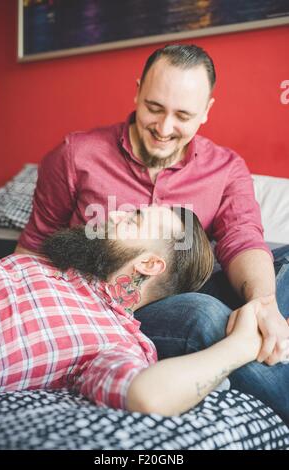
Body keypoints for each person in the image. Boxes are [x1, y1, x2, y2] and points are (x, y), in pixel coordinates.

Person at [14, 44, 289, 420]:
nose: (163, 129)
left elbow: (242, 238)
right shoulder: (76, 155)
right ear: (138, 91)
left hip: (191, 278)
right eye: (154, 108)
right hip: (122, 305)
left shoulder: (226, 168)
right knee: (206, 315)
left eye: (183, 115)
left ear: (207, 110)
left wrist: (263, 304)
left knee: (282, 266)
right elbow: (35, 247)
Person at [0, 205, 282, 417]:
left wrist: (241, 346)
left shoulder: (113, 338)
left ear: (150, 264)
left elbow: (148, 395)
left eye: (132, 220)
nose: (113, 214)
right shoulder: (48, 263)